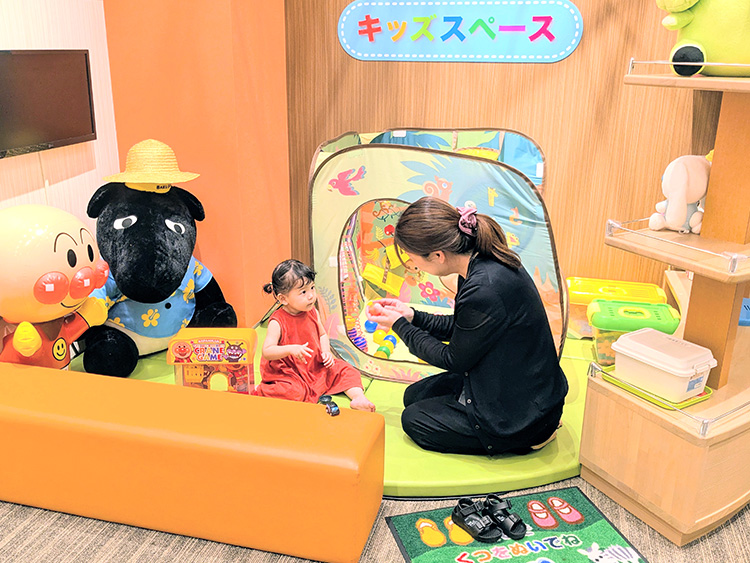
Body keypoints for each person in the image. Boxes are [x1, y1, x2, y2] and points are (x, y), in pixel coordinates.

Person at [366, 197, 567, 454]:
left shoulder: (485, 287)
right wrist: (412, 316)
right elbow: (466, 328)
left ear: (437, 256)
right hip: (510, 379)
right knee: (413, 396)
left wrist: (400, 326)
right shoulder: (478, 262)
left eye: (414, 259)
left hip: (523, 413)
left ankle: (529, 437)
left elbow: (453, 359)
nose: (414, 265)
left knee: (414, 420)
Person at [255, 259, 376, 412]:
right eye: (303, 292)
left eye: (312, 287)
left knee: (346, 369)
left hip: (314, 366)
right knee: (293, 391)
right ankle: (261, 390)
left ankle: (358, 398)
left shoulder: (312, 311)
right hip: (289, 373)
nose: (311, 295)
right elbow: (267, 351)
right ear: (283, 299)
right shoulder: (277, 321)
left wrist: (326, 352)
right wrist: (291, 349)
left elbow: (322, 334)